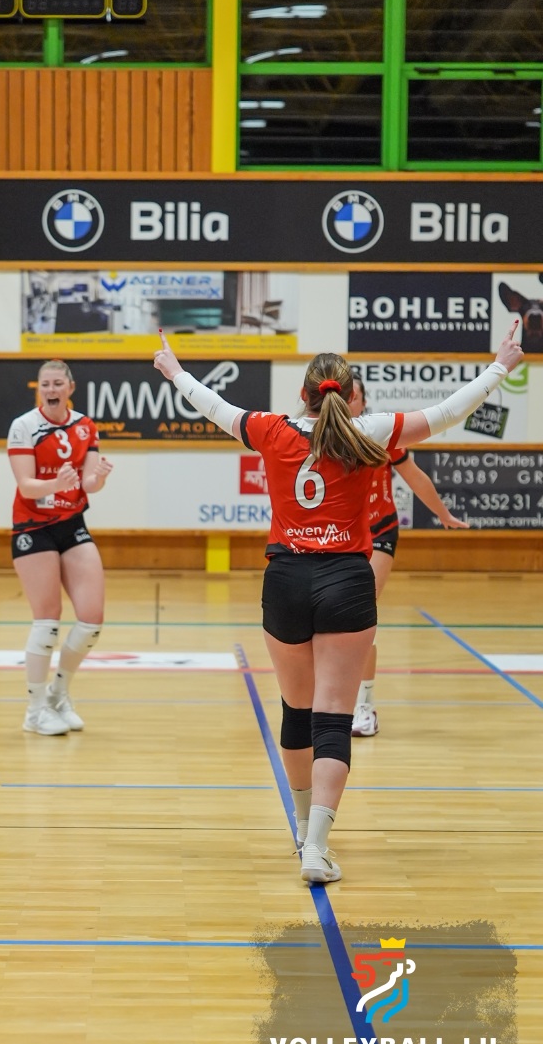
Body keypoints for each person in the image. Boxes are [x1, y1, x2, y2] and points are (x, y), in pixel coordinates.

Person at [153, 325, 523, 884]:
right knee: (333, 719)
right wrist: (500, 366)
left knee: (296, 713)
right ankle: (317, 848)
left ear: (302, 394)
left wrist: (174, 370)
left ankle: (303, 828)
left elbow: (213, 406)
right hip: (347, 580)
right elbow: (448, 412)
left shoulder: (270, 429)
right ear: (350, 396)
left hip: (285, 579)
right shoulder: (368, 431)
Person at [348, 374, 469, 737]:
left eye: (354, 395)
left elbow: (415, 477)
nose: (349, 400)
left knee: (360, 612)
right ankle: (329, 702)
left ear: (363, 402)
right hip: (341, 538)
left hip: (379, 531)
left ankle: (364, 706)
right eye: (344, 394)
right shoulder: (323, 433)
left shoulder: (382, 435)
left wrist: (443, 514)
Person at [7, 359, 114, 736]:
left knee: (91, 621)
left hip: (72, 524)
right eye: (45, 384)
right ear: (39, 389)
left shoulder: (85, 425)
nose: (50, 390)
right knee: (47, 620)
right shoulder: (24, 426)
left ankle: (58, 693)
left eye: (57, 384)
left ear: (70, 388)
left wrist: (98, 478)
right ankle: (35, 712)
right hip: (33, 528)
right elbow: (26, 486)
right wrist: (57, 485)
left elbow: (89, 484)